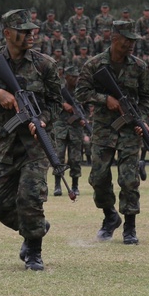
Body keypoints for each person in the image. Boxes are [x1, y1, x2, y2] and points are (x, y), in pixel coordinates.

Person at [0, 9, 62, 271]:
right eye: (24, 30)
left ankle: (34, 251)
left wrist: (43, 120)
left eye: (32, 30)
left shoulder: (44, 64)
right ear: (7, 33)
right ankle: (34, 228)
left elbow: (56, 103)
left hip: (35, 145)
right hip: (3, 143)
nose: (31, 34)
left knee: (30, 197)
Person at [75, 21, 149, 244]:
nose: (131, 44)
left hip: (129, 131)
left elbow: (147, 99)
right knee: (98, 178)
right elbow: (80, 93)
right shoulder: (94, 65)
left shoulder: (140, 67)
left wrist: (140, 118)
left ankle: (130, 226)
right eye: (127, 40)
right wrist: (103, 99)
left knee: (129, 180)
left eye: (134, 41)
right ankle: (110, 216)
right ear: (114, 39)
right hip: (103, 129)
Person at [54, 65, 87, 199]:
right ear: (66, 77)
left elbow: (87, 107)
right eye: (72, 77)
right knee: (58, 157)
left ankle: (75, 186)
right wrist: (63, 104)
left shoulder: (80, 91)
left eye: (77, 77)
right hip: (60, 127)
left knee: (75, 159)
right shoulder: (58, 90)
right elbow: (50, 99)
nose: (75, 79)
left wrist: (83, 119)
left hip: (75, 129)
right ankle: (57, 185)